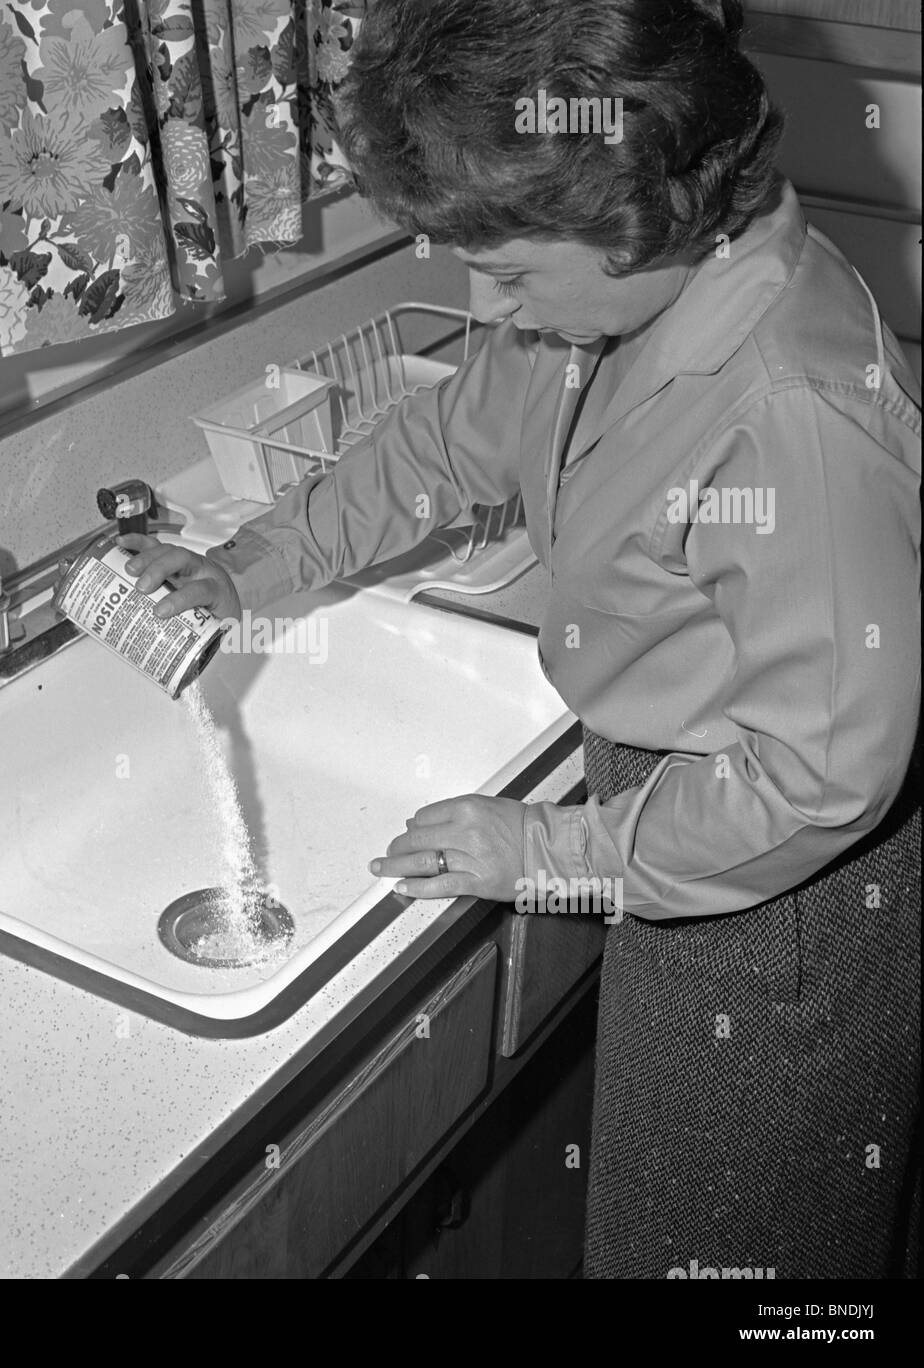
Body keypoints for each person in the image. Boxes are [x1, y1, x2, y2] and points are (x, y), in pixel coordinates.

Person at [121, 0, 921, 1278]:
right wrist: (249, 566)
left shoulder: (791, 416)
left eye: (506, 269)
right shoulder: (602, 311)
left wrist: (546, 850)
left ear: (643, 213)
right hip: (679, 814)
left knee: (725, 1258)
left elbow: (814, 777)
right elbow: (444, 445)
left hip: (783, 898)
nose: (480, 298)